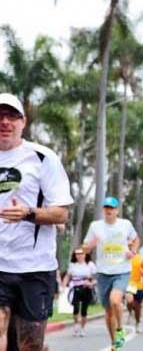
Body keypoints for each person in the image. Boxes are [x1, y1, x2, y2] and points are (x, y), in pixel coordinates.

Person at [0, 93, 72, 350]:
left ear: (23, 122)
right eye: (0, 116)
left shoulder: (43, 157)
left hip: (34, 267)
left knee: (30, 344)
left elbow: (61, 213)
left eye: (12, 116)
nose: (5, 122)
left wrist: (29, 213)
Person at [82, 196, 139, 350]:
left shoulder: (125, 224)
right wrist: (91, 245)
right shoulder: (95, 226)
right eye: (106, 207)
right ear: (103, 209)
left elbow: (136, 239)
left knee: (115, 301)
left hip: (122, 270)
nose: (109, 210)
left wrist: (133, 252)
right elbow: (84, 248)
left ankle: (120, 329)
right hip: (103, 273)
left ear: (117, 210)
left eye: (112, 208)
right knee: (108, 311)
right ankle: (114, 342)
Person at [61, 249, 97, 337]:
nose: (80, 256)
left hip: (86, 289)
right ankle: (76, 324)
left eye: (82, 254)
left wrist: (91, 283)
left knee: (84, 310)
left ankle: (82, 328)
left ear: (85, 255)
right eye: (78, 254)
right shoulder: (72, 265)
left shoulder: (90, 265)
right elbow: (67, 277)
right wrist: (63, 286)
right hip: (75, 289)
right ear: (75, 255)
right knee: (75, 308)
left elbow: (96, 278)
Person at [125, 247, 143, 332]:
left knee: (138, 306)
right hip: (129, 284)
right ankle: (130, 311)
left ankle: (137, 322)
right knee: (129, 300)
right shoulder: (124, 257)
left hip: (138, 284)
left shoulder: (141, 258)